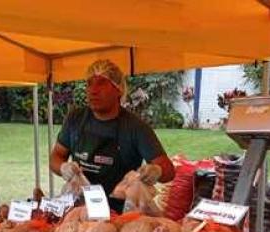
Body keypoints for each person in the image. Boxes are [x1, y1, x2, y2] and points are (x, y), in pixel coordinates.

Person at [49, 59, 175, 213]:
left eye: (101, 83)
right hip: (80, 208)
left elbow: (168, 171)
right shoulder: (75, 119)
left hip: (121, 214)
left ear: (118, 89)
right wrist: (63, 167)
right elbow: (56, 156)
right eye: (89, 83)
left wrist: (156, 171)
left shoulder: (135, 127)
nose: (93, 90)